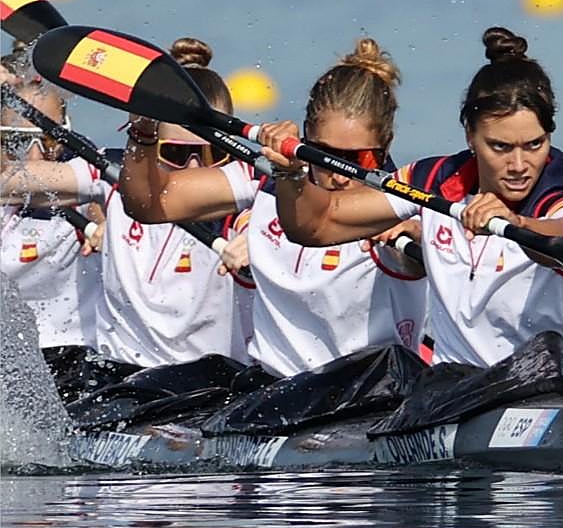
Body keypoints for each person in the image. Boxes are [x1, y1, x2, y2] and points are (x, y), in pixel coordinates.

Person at [257, 27, 563, 368]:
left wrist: (519, 224)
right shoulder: (432, 180)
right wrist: (290, 173)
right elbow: (318, 224)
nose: (519, 165)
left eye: (534, 144)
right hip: (451, 387)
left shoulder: (558, 189)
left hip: (544, 381)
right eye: (500, 147)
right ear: (470, 136)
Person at [118, 37, 427, 381]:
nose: (340, 174)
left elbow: (428, 254)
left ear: (386, 146)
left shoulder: (402, 206)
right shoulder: (265, 181)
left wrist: (420, 239)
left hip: (371, 393)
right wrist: (143, 130)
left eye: (360, 159)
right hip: (275, 390)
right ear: (306, 138)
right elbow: (149, 202)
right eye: (325, 155)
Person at [1, 38, 250, 388]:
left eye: (212, 155)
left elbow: (292, 216)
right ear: (149, 145)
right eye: (176, 154)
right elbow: (8, 182)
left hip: (209, 386)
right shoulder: (116, 174)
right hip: (118, 380)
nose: (195, 169)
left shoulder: (247, 193)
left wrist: (256, 240)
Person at [0, 58, 104, 400]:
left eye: (49, 138)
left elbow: (111, 201)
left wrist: (108, 225)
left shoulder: (87, 176)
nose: (35, 157)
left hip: (75, 363)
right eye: (17, 140)